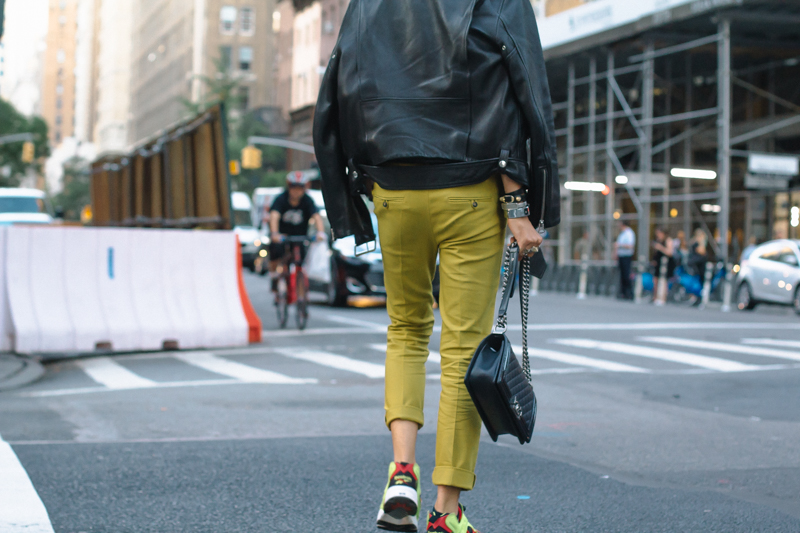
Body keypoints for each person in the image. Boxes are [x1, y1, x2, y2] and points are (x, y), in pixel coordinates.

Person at [313, 0, 559, 531]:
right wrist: (522, 207)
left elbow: (336, 91)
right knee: (462, 349)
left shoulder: (368, 6)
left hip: (394, 192)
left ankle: (402, 473)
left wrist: (355, 185)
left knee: (404, 329)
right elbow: (524, 94)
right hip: (470, 191)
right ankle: (446, 512)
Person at [267, 171, 326, 295]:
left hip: (300, 236)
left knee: (301, 261)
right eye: (294, 187)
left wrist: (320, 232)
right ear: (289, 187)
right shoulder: (281, 199)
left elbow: (316, 217)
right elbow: (274, 216)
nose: (297, 191)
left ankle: (301, 296)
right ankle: (274, 277)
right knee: (275, 252)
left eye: (300, 188)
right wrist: (274, 233)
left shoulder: (307, 201)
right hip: (282, 236)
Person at [651, 227, 675, 302]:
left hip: (666, 263)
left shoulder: (668, 240)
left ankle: (663, 297)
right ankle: (655, 296)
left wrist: (660, 248)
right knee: (655, 279)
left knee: (664, 280)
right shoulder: (658, 241)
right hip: (658, 263)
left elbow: (670, 252)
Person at [615, 222, 636, 300]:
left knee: (626, 275)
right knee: (622, 275)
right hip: (621, 256)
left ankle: (629, 293)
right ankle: (623, 293)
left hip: (626, 256)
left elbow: (630, 245)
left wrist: (620, 245)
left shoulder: (629, 233)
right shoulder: (622, 234)